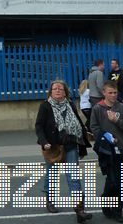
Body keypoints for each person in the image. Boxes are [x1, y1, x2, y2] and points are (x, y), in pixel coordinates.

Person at [34, 80, 92, 222]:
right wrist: (44, 141)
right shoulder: (45, 106)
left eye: (61, 88)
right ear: (51, 92)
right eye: (55, 89)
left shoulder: (70, 104)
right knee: (52, 175)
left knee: (73, 176)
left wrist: (84, 139)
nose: (58, 91)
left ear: (65, 91)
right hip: (53, 146)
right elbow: (39, 126)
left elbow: (78, 122)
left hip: (70, 144)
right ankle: (50, 200)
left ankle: (80, 210)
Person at [90, 81, 123, 223]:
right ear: (104, 93)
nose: (113, 95)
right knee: (111, 179)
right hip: (106, 150)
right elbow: (94, 128)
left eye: (115, 93)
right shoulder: (97, 108)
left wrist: (117, 121)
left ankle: (117, 211)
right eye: (110, 92)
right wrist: (104, 137)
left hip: (121, 148)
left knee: (120, 181)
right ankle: (106, 201)